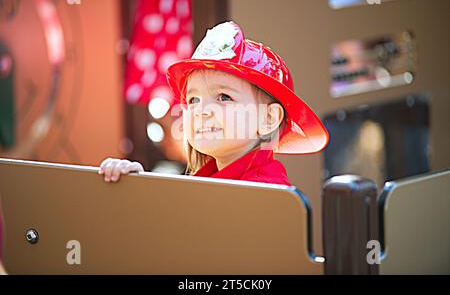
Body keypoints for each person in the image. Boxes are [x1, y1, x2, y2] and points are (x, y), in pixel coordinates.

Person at [99, 21, 329, 185]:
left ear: (268, 119)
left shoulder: (263, 193)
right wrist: (137, 186)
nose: (200, 111)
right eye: (193, 100)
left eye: (223, 97)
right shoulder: (210, 180)